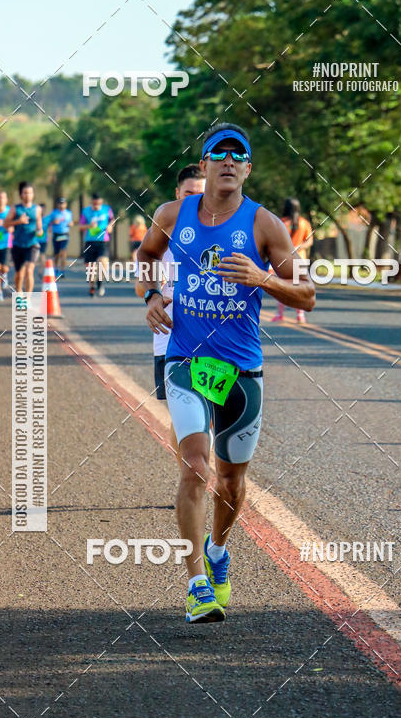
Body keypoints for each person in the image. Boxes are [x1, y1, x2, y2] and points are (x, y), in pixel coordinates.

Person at [136, 122, 315, 623]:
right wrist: (150, 295)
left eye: (240, 155)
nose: (230, 161)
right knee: (196, 465)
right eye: (221, 153)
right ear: (207, 162)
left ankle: (217, 550)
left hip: (241, 370)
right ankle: (196, 584)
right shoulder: (175, 214)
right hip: (186, 360)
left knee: (232, 482)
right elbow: (147, 254)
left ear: (248, 168)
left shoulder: (265, 226)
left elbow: (308, 295)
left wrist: (262, 278)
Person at [135, 164, 206, 458]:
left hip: (212, 339)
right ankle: (191, 480)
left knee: (206, 417)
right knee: (184, 418)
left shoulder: (221, 232)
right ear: (177, 194)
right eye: (188, 194)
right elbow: (141, 285)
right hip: (170, 339)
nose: (194, 200)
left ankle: (198, 478)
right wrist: (154, 295)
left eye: (200, 195)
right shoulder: (162, 233)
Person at [271, 197, 313, 323]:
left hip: (284, 259)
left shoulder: (281, 223)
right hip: (301, 258)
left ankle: (280, 314)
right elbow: (309, 241)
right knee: (299, 286)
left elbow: (275, 241)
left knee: (282, 287)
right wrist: (298, 247)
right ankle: (300, 315)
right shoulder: (304, 223)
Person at [4, 182, 43, 293]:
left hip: (32, 244)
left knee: (29, 271)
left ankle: (29, 298)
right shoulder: (15, 209)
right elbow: (6, 224)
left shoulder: (37, 209)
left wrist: (40, 231)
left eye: (30, 193)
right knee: (19, 274)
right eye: (25, 193)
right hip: (18, 244)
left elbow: (39, 225)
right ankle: (19, 291)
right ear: (21, 194)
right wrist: (18, 221)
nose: (28, 195)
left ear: (33, 194)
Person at [79, 192, 114, 297]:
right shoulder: (85, 211)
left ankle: (100, 281)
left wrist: (110, 226)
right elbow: (80, 227)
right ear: (91, 202)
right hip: (90, 241)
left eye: (98, 204)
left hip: (103, 240)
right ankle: (92, 287)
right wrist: (89, 225)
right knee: (90, 268)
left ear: (101, 202)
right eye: (94, 204)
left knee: (103, 262)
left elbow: (112, 220)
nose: (96, 206)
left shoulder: (107, 209)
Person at [46, 197, 72, 278]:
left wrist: (71, 224)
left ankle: (62, 270)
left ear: (66, 204)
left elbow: (71, 223)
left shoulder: (69, 213)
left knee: (63, 252)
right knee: (57, 254)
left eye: (63, 203)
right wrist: (54, 222)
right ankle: (56, 269)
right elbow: (48, 223)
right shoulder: (54, 213)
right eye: (60, 203)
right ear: (58, 205)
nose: (61, 205)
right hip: (56, 234)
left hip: (65, 234)